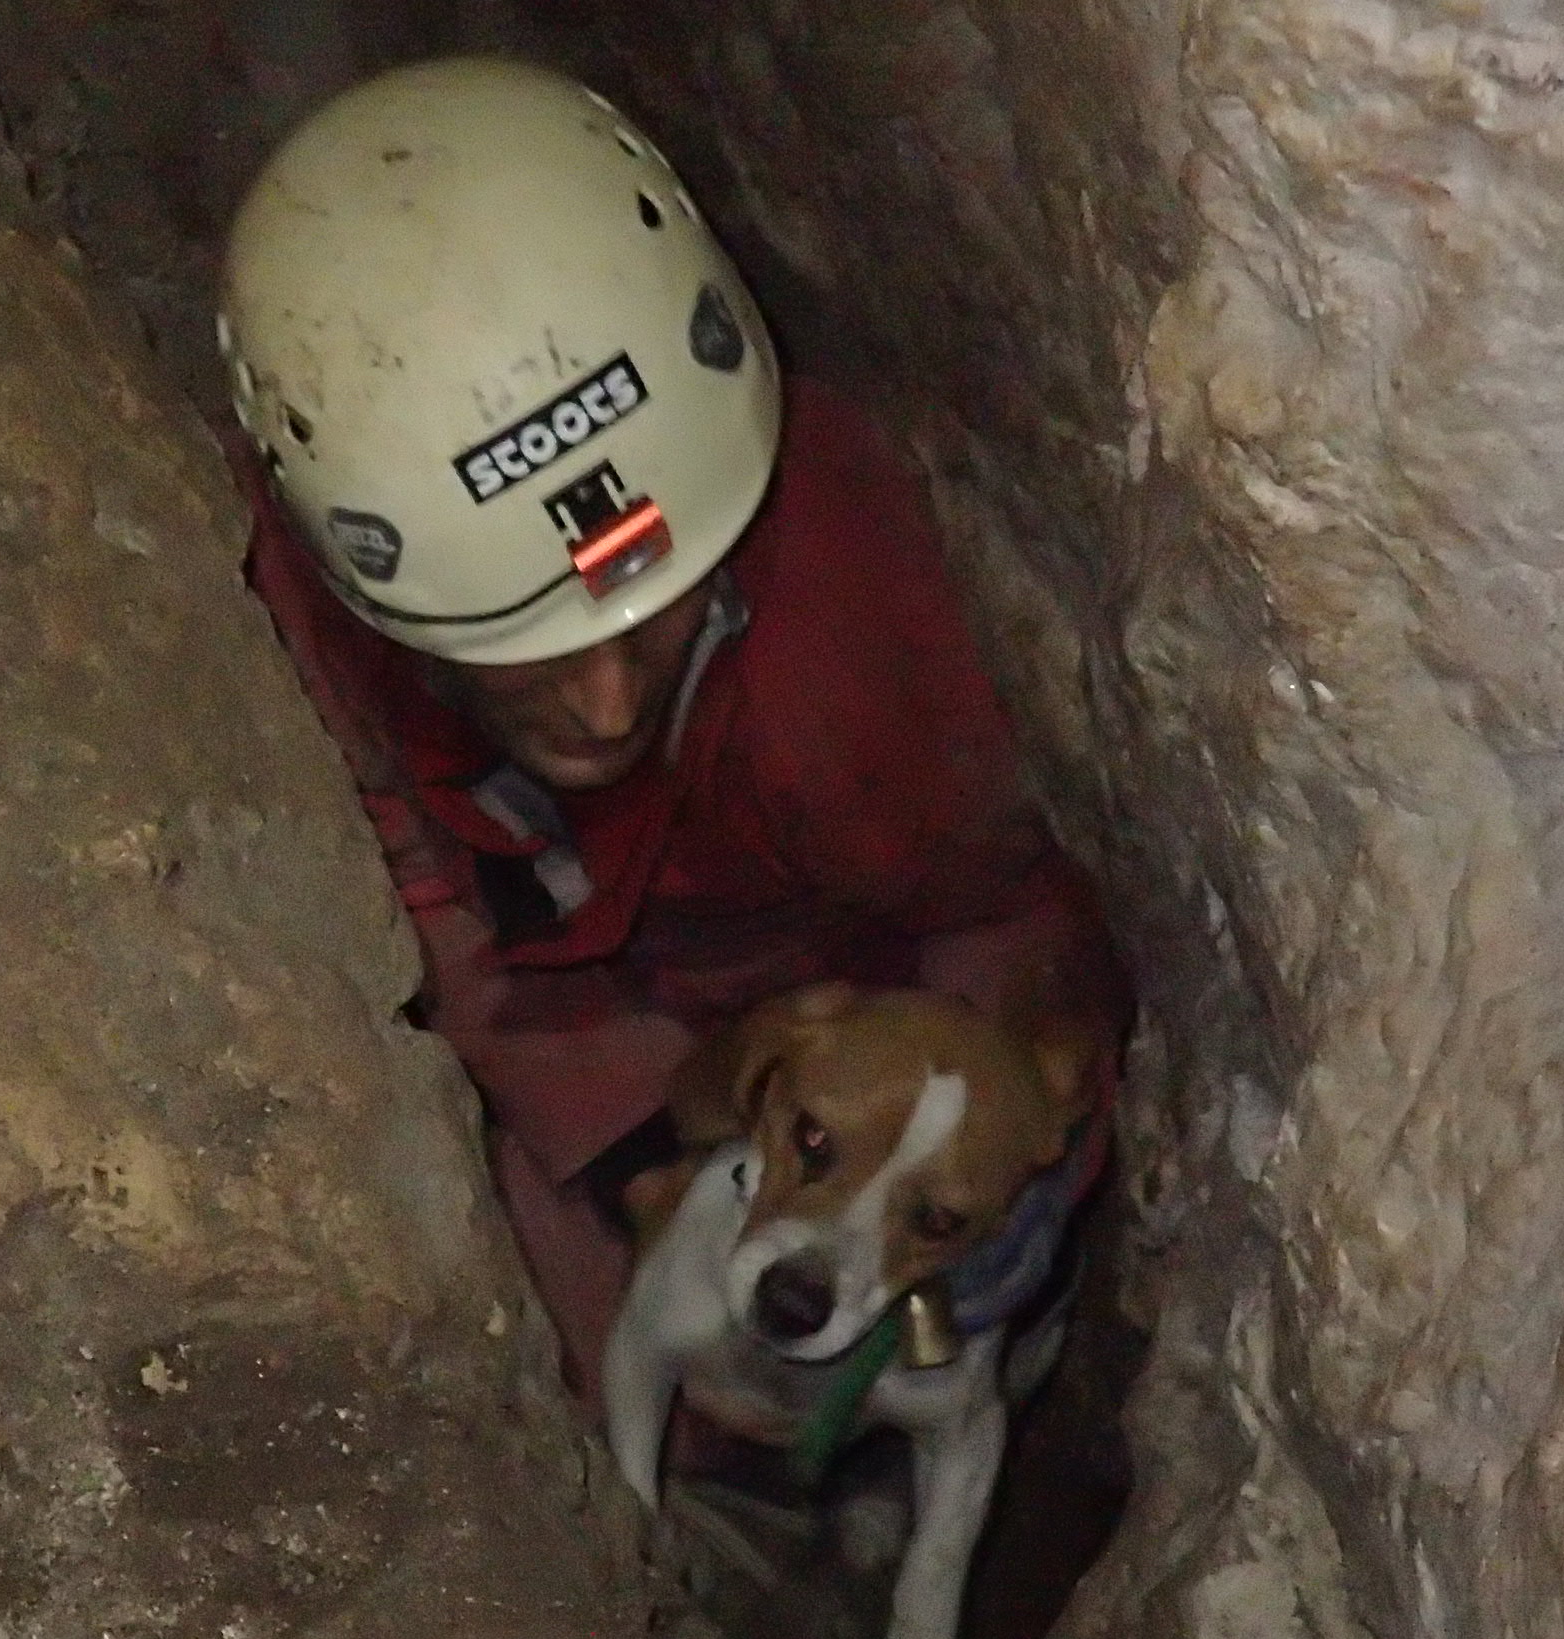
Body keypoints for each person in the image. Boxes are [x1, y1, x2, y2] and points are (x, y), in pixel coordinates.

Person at [219, 55, 1126, 1399]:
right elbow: (419, 887)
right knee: (533, 1324)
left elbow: (1020, 930)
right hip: (588, 998)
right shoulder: (320, 592)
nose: (604, 706)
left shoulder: (859, 661)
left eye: (646, 621)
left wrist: (1013, 1166)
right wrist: (643, 1160)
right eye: (524, 655)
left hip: (841, 1008)